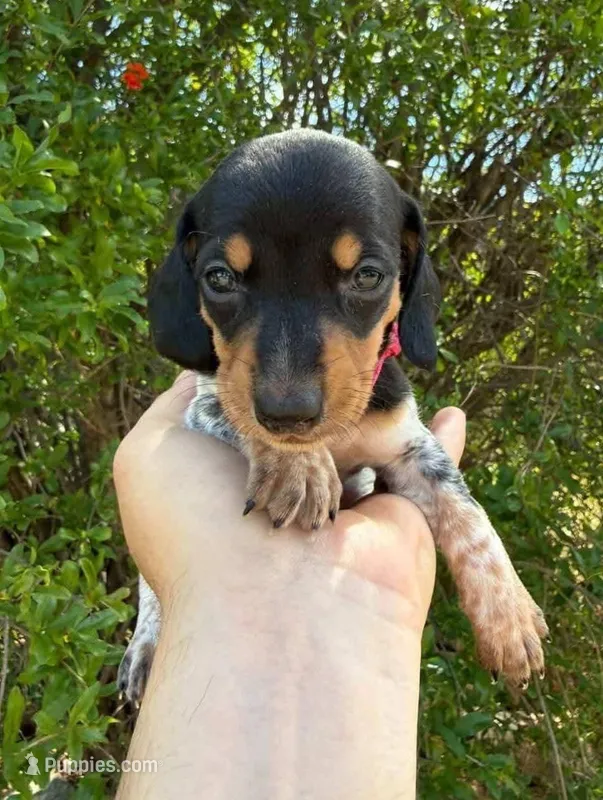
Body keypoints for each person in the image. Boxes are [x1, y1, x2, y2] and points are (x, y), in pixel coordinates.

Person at [113, 372, 466, 799]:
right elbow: (200, 418)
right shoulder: (216, 379)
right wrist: (161, 614)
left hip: (349, 525)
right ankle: (151, 621)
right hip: (238, 523)